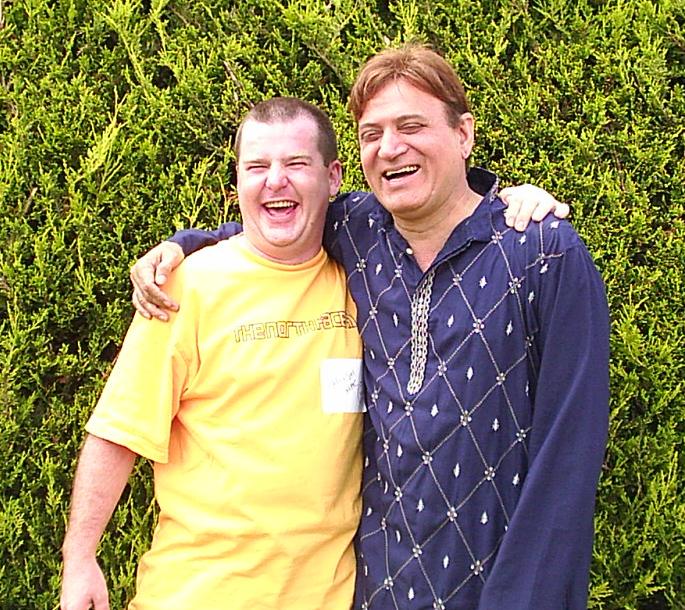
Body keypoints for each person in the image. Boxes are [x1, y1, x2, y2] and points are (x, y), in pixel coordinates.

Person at [131, 46, 609, 610]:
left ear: (463, 134)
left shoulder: (543, 252)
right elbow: (278, 220)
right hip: (375, 591)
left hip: (496, 589)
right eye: (371, 133)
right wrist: (181, 245)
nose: (389, 147)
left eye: (412, 126)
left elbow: (568, 456)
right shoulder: (360, 233)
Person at [60, 98, 367, 610]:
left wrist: (506, 203)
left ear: (332, 177)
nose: (275, 181)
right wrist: (80, 557)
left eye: (295, 163)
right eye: (257, 167)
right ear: (238, 182)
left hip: (327, 597)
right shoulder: (185, 287)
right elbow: (118, 431)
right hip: (197, 594)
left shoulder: (365, 285)